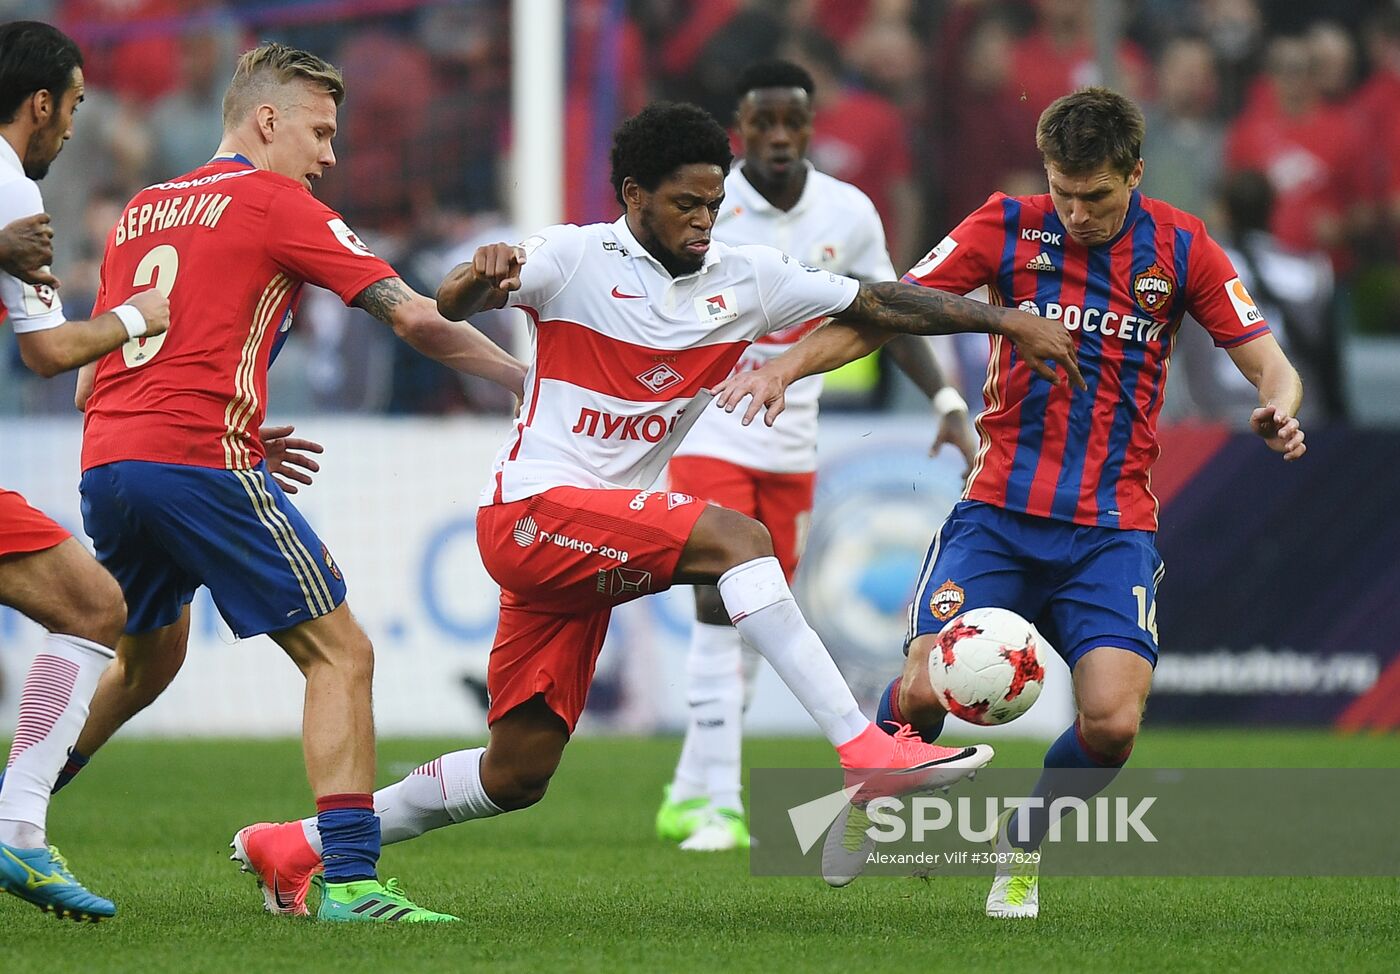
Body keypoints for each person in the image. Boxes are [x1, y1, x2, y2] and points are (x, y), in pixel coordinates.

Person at [226, 101, 1082, 912]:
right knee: (739, 540)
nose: (705, 220)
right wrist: (475, 279)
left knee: (516, 773)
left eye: (714, 201)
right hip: (528, 516)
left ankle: (294, 846)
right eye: (685, 203)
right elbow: (457, 297)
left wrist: (1003, 321)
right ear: (633, 195)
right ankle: (863, 749)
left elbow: (880, 300)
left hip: (588, 539)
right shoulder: (575, 258)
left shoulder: (750, 279)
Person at [715, 87, 1306, 916]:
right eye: (1063, 192)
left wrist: (1280, 405)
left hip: (1110, 531)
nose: (1077, 212)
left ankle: (1020, 845)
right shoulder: (1006, 225)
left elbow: (1267, 359)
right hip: (997, 515)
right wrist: (785, 366)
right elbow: (887, 306)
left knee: (1112, 726)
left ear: (1134, 173)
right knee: (924, 691)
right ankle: (870, 795)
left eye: (1096, 196)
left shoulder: (1181, 245)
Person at [53, 42, 525, 924]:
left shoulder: (141, 210)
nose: (330, 155)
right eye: (320, 131)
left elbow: (90, 377)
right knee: (341, 652)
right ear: (266, 120)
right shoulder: (278, 200)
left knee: (147, 662)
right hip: (194, 460)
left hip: (108, 460)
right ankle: (347, 882)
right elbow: (418, 317)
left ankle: (14, 809)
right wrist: (525, 383)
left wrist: (213, 410)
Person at [655, 59, 976, 853]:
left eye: (789, 122)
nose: (775, 136)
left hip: (792, 439)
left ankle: (687, 792)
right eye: (760, 123)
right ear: (741, 128)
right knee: (717, 605)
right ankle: (718, 804)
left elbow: (886, 313)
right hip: (709, 425)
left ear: (809, 125)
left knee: (761, 613)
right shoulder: (709, 207)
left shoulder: (850, 210)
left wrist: (944, 402)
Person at [0, 21, 168, 923]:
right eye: (71, 106)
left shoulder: (17, 198)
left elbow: (45, 352)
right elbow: (54, 352)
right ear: (41, 104)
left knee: (93, 604)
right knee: (97, 607)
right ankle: (18, 830)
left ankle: (20, 831)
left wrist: (128, 319)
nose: (71, 126)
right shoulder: (9, 192)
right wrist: (140, 316)